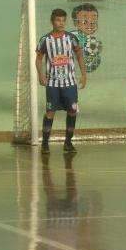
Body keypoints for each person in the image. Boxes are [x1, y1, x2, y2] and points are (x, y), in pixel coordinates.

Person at [35, 8, 87, 153]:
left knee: (72, 111)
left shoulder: (71, 38)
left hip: (69, 83)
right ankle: (45, 143)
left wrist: (84, 74)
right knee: (50, 112)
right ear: (52, 21)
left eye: (63, 20)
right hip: (52, 84)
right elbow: (38, 59)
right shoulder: (45, 40)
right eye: (58, 20)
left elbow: (79, 55)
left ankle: (68, 142)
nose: (61, 23)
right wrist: (40, 74)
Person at [70, 3, 102, 73]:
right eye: (85, 22)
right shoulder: (71, 37)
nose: (90, 25)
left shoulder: (91, 39)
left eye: (93, 22)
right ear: (76, 23)